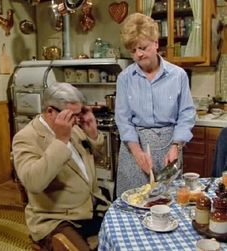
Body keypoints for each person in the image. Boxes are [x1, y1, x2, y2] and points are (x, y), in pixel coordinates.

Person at [12, 82, 110, 251]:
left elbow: (96, 160)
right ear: (50, 111)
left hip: (90, 209)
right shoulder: (26, 137)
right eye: (73, 115)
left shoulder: (74, 127)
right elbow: (33, 182)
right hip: (56, 219)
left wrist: (93, 133)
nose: (77, 120)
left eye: (79, 114)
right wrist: (60, 141)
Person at [115, 13, 196, 197]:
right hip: (134, 149)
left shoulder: (178, 75)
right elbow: (123, 120)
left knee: (167, 202)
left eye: (142, 47)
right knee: (134, 201)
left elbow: (186, 114)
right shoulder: (125, 79)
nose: (139, 54)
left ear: (156, 43)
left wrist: (176, 146)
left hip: (169, 148)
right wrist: (137, 153)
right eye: (133, 50)